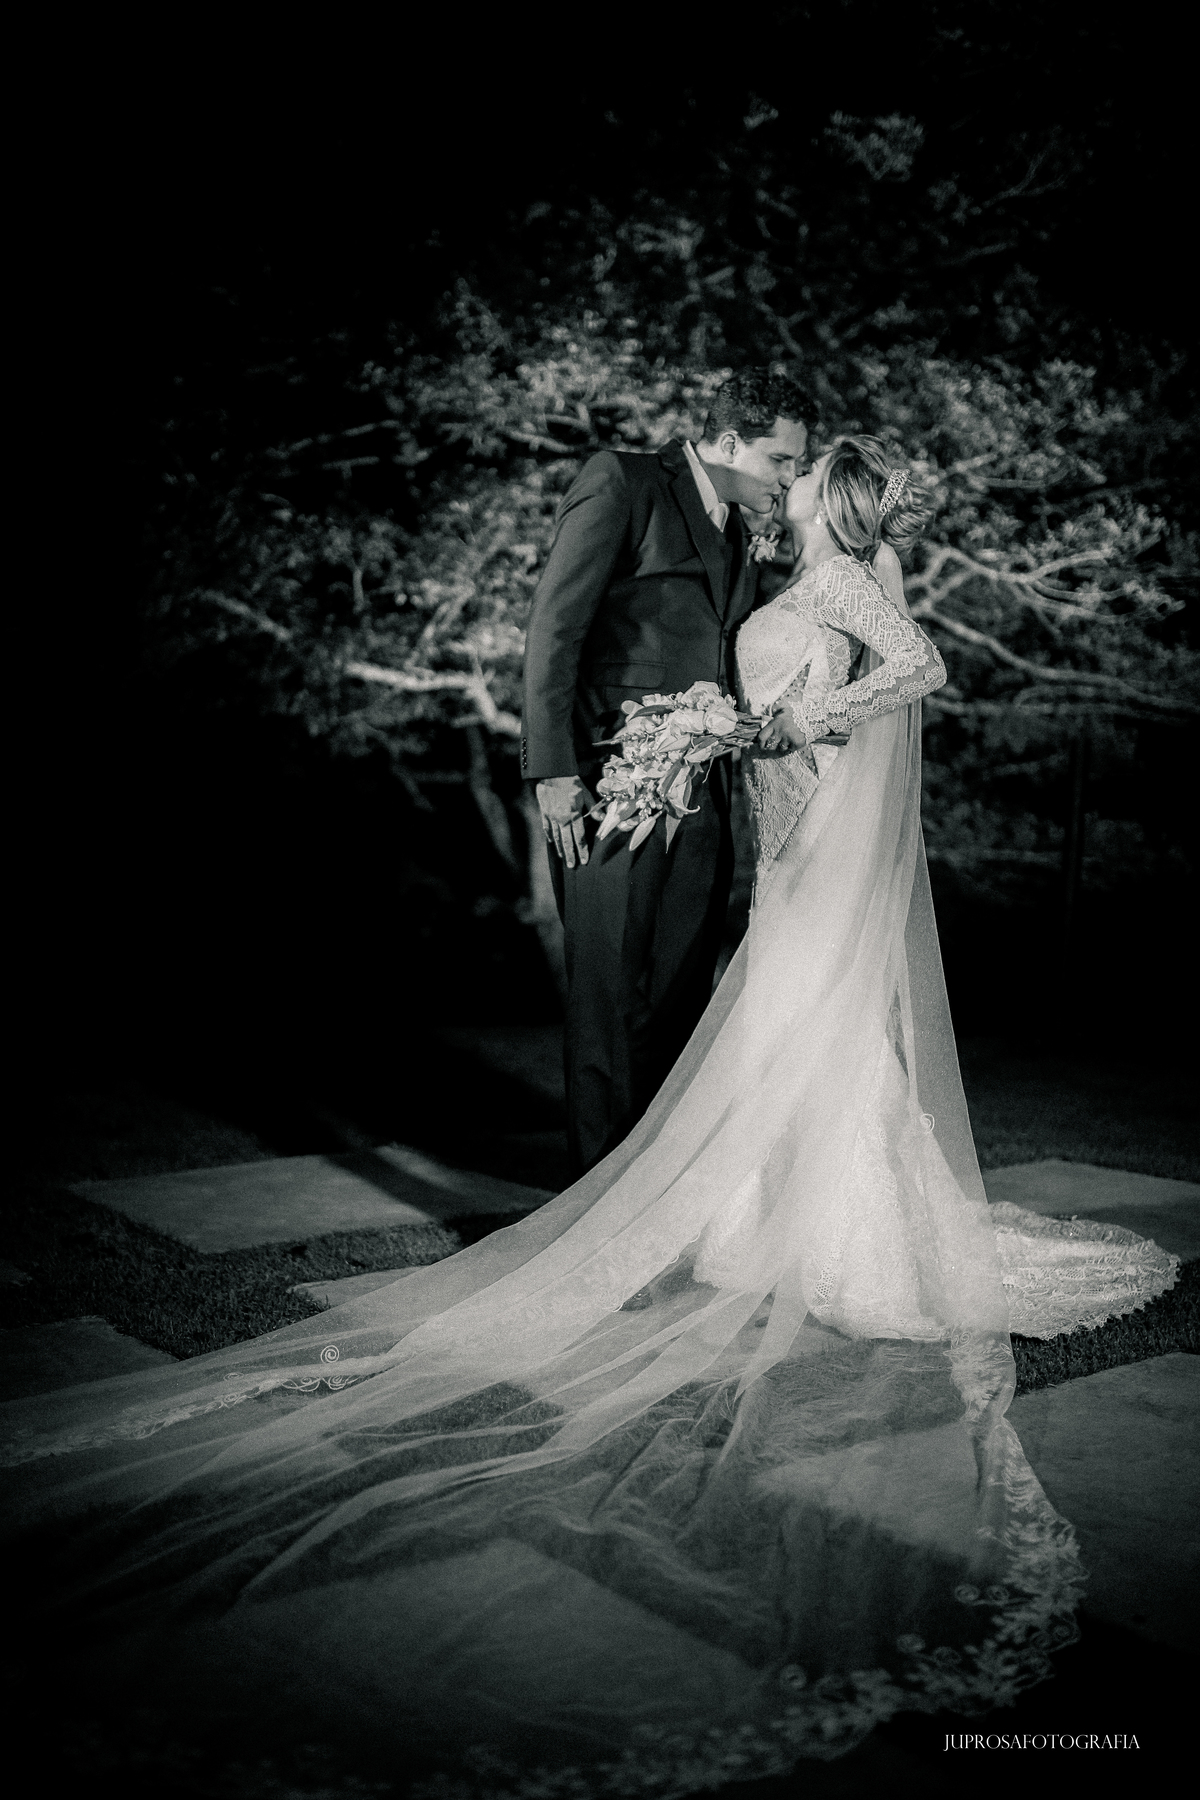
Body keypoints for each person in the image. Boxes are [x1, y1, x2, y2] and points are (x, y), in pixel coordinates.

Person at [2, 440, 1177, 1795]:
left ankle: (847, 1227)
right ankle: (769, 1216)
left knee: (805, 1031)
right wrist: (725, 734)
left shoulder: (845, 576)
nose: (785, 478)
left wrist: (795, 726)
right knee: (779, 1033)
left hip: (810, 824)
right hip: (780, 834)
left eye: (801, 468)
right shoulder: (781, 570)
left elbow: (919, 668)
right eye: (781, 460)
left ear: (828, 493)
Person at [520, 370, 810, 1176]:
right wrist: (553, 772)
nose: (790, 478)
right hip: (610, 786)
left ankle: (652, 1184)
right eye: (781, 459)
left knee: (681, 994)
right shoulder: (624, 483)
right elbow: (554, 629)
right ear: (728, 443)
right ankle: (592, 1194)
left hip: (705, 796)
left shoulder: (744, 528)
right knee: (609, 994)